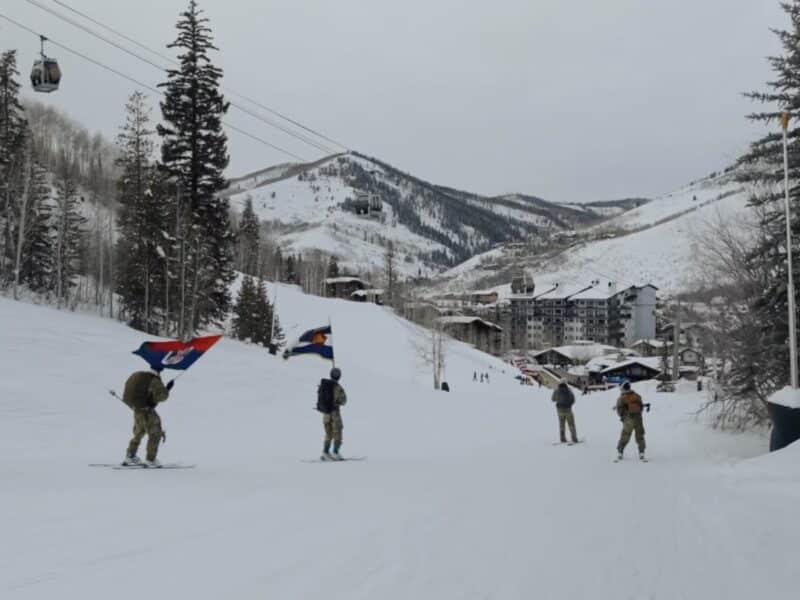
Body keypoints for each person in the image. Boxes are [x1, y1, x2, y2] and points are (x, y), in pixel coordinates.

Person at [122, 366, 173, 467]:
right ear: (159, 371)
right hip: (147, 412)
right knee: (155, 433)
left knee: (138, 433)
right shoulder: (154, 380)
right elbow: (162, 396)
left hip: (137, 410)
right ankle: (151, 459)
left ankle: (130, 456)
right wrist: (167, 389)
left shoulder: (137, 375)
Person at [317, 367, 348, 461]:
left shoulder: (325, 385)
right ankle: (335, 452)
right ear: (339, 376)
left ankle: (325, 452)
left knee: (328, 433)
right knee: (337, 431)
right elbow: (344, 401)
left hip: (326, 413)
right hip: (335, 413)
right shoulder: (337, 387)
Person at [616, 381, 647, 460]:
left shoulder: (621, 398)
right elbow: (641, 407)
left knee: (625, 435)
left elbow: (619, 409)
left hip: (628, 419)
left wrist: (622, 417)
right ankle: (641, 452)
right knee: (640, 435)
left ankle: (620, 451)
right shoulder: (637, 396)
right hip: (638, 418)